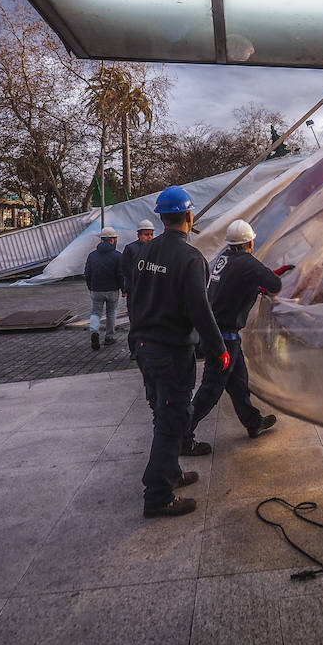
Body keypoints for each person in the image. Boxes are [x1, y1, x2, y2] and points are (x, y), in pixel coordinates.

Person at [129, 186, 226, 518]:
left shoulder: (142, 253)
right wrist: (218, 348)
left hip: (144, 348)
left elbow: (134, 300)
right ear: (189, 216)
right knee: (172, 420)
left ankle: (170, 472)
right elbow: (201, 310)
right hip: (171, 352)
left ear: (161, 218)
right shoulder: (190, 258)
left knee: (163, 413)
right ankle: (157, 495)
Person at [180, 219, 281, 456]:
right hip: (223, 339)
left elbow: (233, 286)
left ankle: (253, 422)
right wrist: (262, 282)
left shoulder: (224, 259)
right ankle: (182, 436)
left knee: (238, 383)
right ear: (250, 241)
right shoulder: (247, 263)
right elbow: (275, 284)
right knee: (210, 390)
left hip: (218, 333)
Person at [83, 226, 125, 350]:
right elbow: (120, 274)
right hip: (112, 290)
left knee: (96, 312)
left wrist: (90, 286)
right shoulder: (117, 256)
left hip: (96, 289)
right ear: (112, 240)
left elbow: (87, 272)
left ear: (101, 240)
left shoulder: (92, 255)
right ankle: (109, 337)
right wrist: (123, 289)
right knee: (111, 313)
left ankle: (94, 331)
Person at [121, 219, 155, 360]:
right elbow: (125, 269)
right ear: (139, 235)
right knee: (135, 322)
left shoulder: (154, 248)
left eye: (151, 234)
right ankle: (134, 350)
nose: (149, 237)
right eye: (146, 234)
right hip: (135, 292)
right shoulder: (130, 249)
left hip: (150, 292)